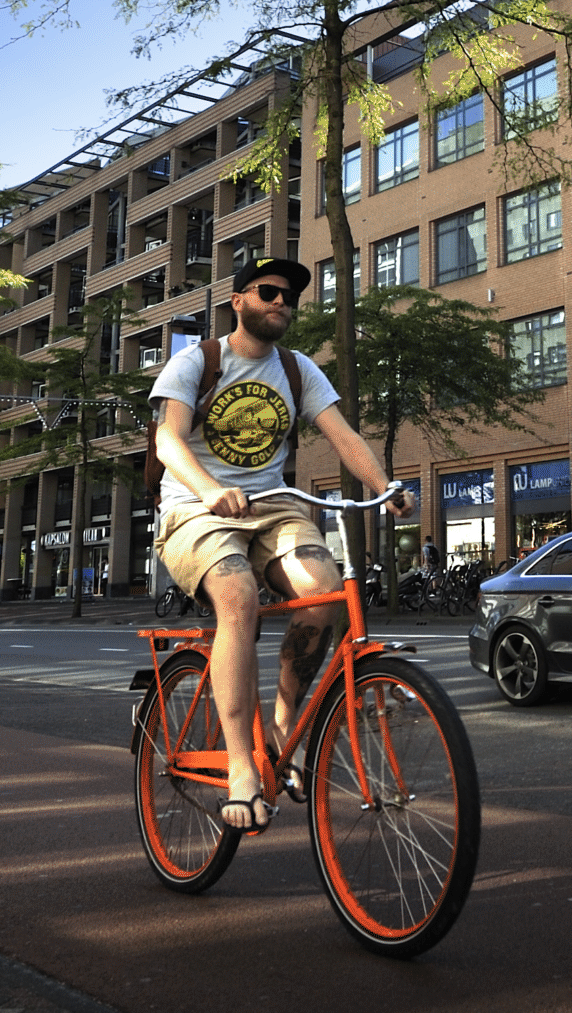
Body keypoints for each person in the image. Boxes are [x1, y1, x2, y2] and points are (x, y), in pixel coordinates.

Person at [152, 257, 411, 836]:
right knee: (238, 595)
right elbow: (168, 438)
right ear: (238, 300)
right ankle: (243, 767)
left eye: (290, 297)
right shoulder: (197, 360)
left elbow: (343, 433)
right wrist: (212, 489)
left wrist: (383, 486)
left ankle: (284, 727)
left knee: (327, 596)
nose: (282, 303)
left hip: (274, 504)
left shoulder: (296, 371)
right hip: (195, 507)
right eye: (269, 292)